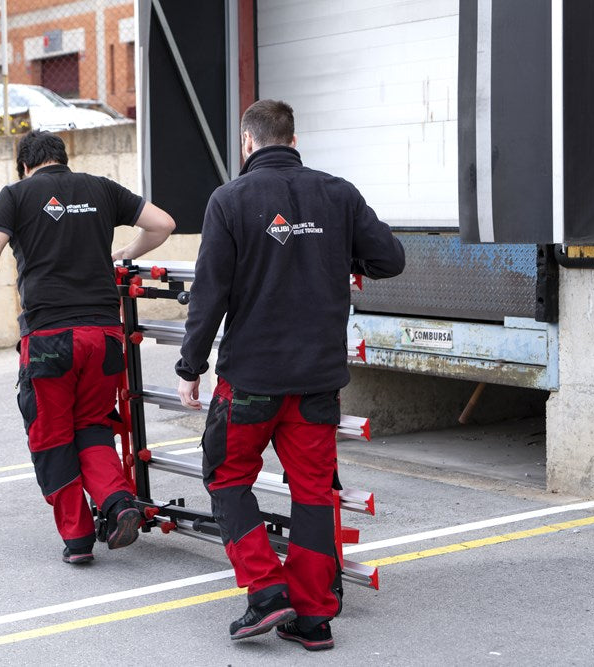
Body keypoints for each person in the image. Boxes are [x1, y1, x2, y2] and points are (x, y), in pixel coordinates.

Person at [176, 100, 405, 649]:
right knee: (313, 492)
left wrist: (190, 365)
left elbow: (209, 293)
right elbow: (390, 259)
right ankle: (314, 619)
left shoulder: (229, 200)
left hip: (251, 380)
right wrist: (344, 259)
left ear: (247, 143)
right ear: (294, 139)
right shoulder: (338, 193)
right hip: (317, 381)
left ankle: (265, 593)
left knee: (227, 477)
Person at [0, 130, 175, 565]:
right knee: (92, 426)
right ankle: (118, 503)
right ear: (63, 158)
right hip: (104, 335)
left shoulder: (15, 195)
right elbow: (163, 224)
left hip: (49, 338)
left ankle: (78, 539)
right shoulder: (101, 188)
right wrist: (124, 253)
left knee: (51, 435)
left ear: (24, 166)